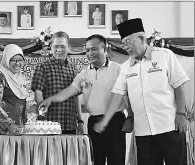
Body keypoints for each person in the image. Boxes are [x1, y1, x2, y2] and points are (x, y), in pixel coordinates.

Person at [95, 18, 189, 165]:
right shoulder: (126, 67)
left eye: (128, 42)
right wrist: (107, 120)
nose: (125, 46)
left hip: (170, 126)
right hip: (143, 132)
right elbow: (119, 95)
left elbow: (179, 86)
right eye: (123, 43)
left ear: (141, 38)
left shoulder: (164, 56)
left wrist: (182, 114)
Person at [38, 34, 134, 165]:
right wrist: (50, 99)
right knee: (96, 160)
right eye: (87, 50)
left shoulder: (119, 69)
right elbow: (68, 91)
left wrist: (130, 118)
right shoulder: (84, 74)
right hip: (94, 122)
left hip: (115, 122)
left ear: (104, 49)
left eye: (94, 49)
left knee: (116, 160)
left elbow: (129, 95)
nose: (90, 53)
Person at [31, 31, 84, 134]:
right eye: (56, 46)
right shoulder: (42, 67)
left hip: (70, 124)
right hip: (48, 125)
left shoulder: (74, 69)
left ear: (69, 47)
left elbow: (76, 96)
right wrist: (42, 112)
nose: (59, 50)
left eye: (63, 46)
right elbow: (38, 93)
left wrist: (80, 121)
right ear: (51, 47)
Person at [0, 44, 29, 136]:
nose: (17, 63)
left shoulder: (19, 78)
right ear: (6, 60)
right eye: (13, 60)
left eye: (20, 60)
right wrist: (8, 124)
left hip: (16, 131)